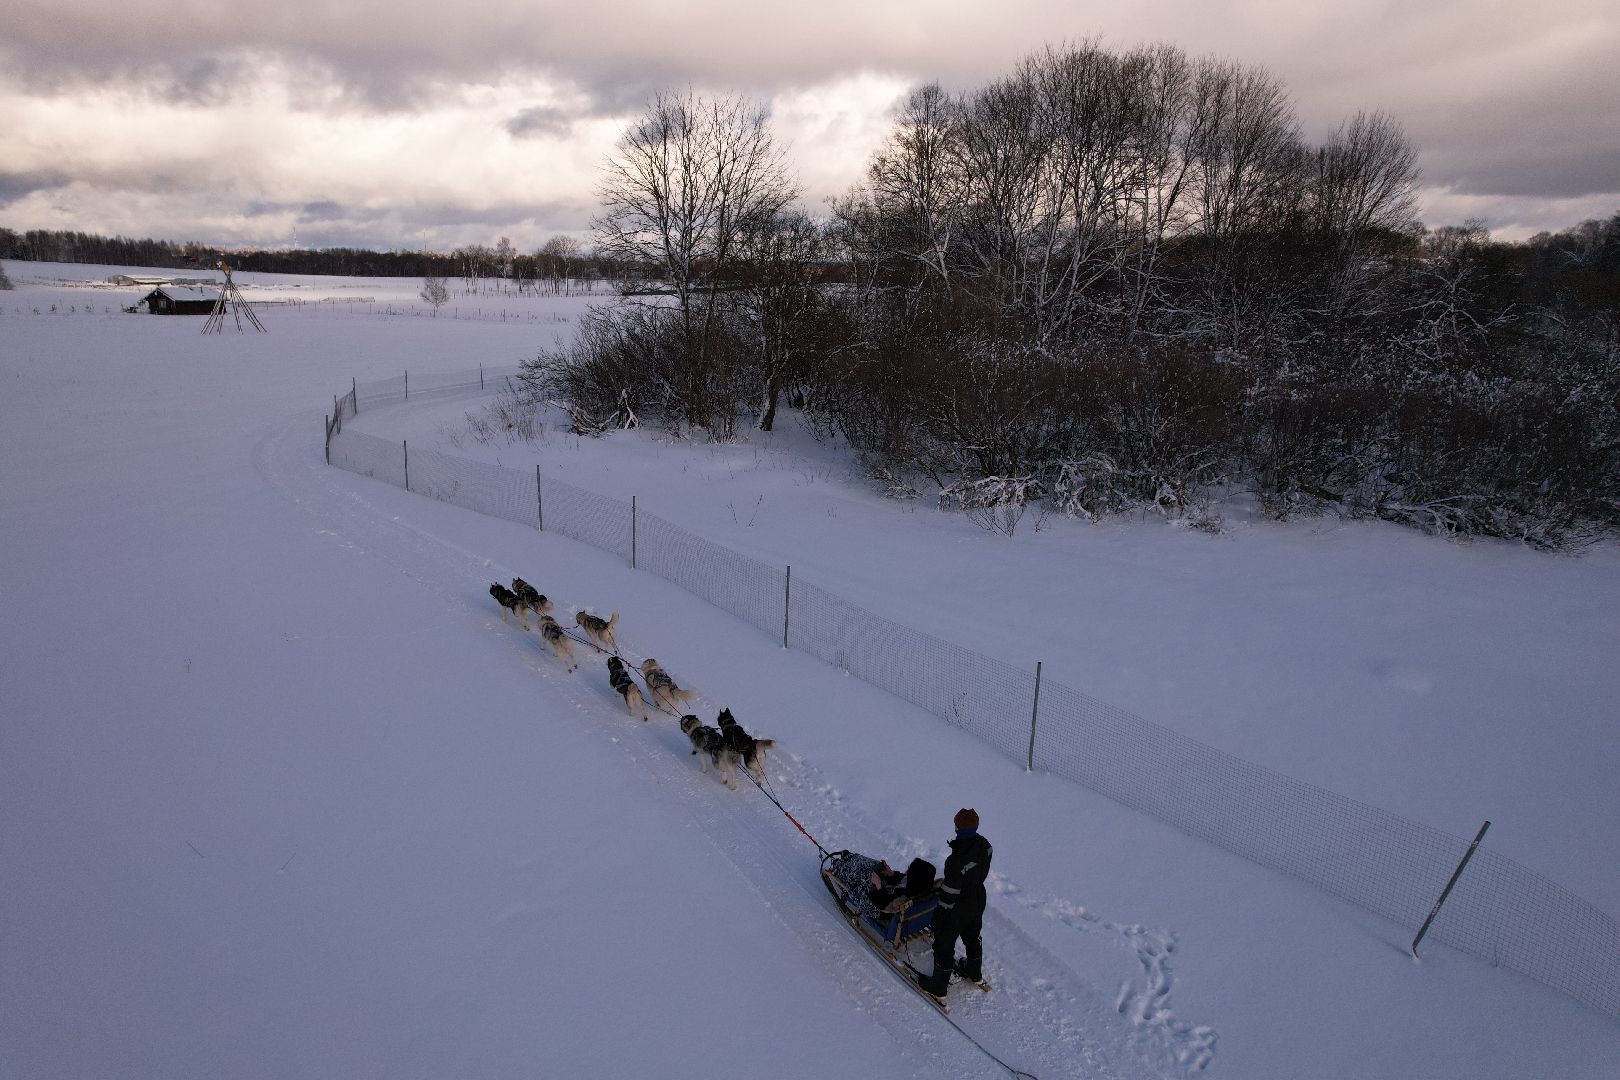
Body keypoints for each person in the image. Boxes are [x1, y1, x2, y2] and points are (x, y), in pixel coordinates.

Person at [918, 808, 993, 996]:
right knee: (973, 935)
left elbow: (949, 896)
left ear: (958, 829)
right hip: (978, 897)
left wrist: (938, 919)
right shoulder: (986, 845)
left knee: (944, 942)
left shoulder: (955, 861)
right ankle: (974, 973)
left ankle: (938, 987)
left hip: (959, 906)